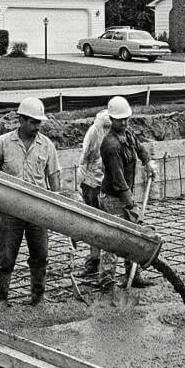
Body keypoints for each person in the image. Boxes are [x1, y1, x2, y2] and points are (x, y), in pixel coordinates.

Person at [0, 97, 60, 306]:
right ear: (22, 120)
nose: (38, 127)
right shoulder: (3, 143)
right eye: (34, 122)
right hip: (10, 211)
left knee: (40, 256)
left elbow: (54, 178)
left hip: (38, 211)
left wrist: (57, 208)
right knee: (6, 257)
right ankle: (2, 300)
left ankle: (38, 299)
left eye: (39, 123)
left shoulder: (46, 146)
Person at [96, 96, 156, 292]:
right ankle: (106, 280)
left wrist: (147, 162)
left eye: (126, 119)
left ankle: (134, 275)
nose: (124, 123)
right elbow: (118, 181)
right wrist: (131, 205)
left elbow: (140, 148)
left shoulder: (128, 135)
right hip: (113, 198)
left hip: (125, 194)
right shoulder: (110, 145)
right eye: (120, 120)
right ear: (112, 119)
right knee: (114, 239)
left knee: (132, 236)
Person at [75, 109, 112, 278]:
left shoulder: (112, 133)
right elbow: (86, 159)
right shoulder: (94, 132)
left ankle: (104, 265)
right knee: (93, 224)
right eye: (106, 126)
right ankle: (94, 261)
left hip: (107, 185)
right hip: (92, 183)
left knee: (108, 226)